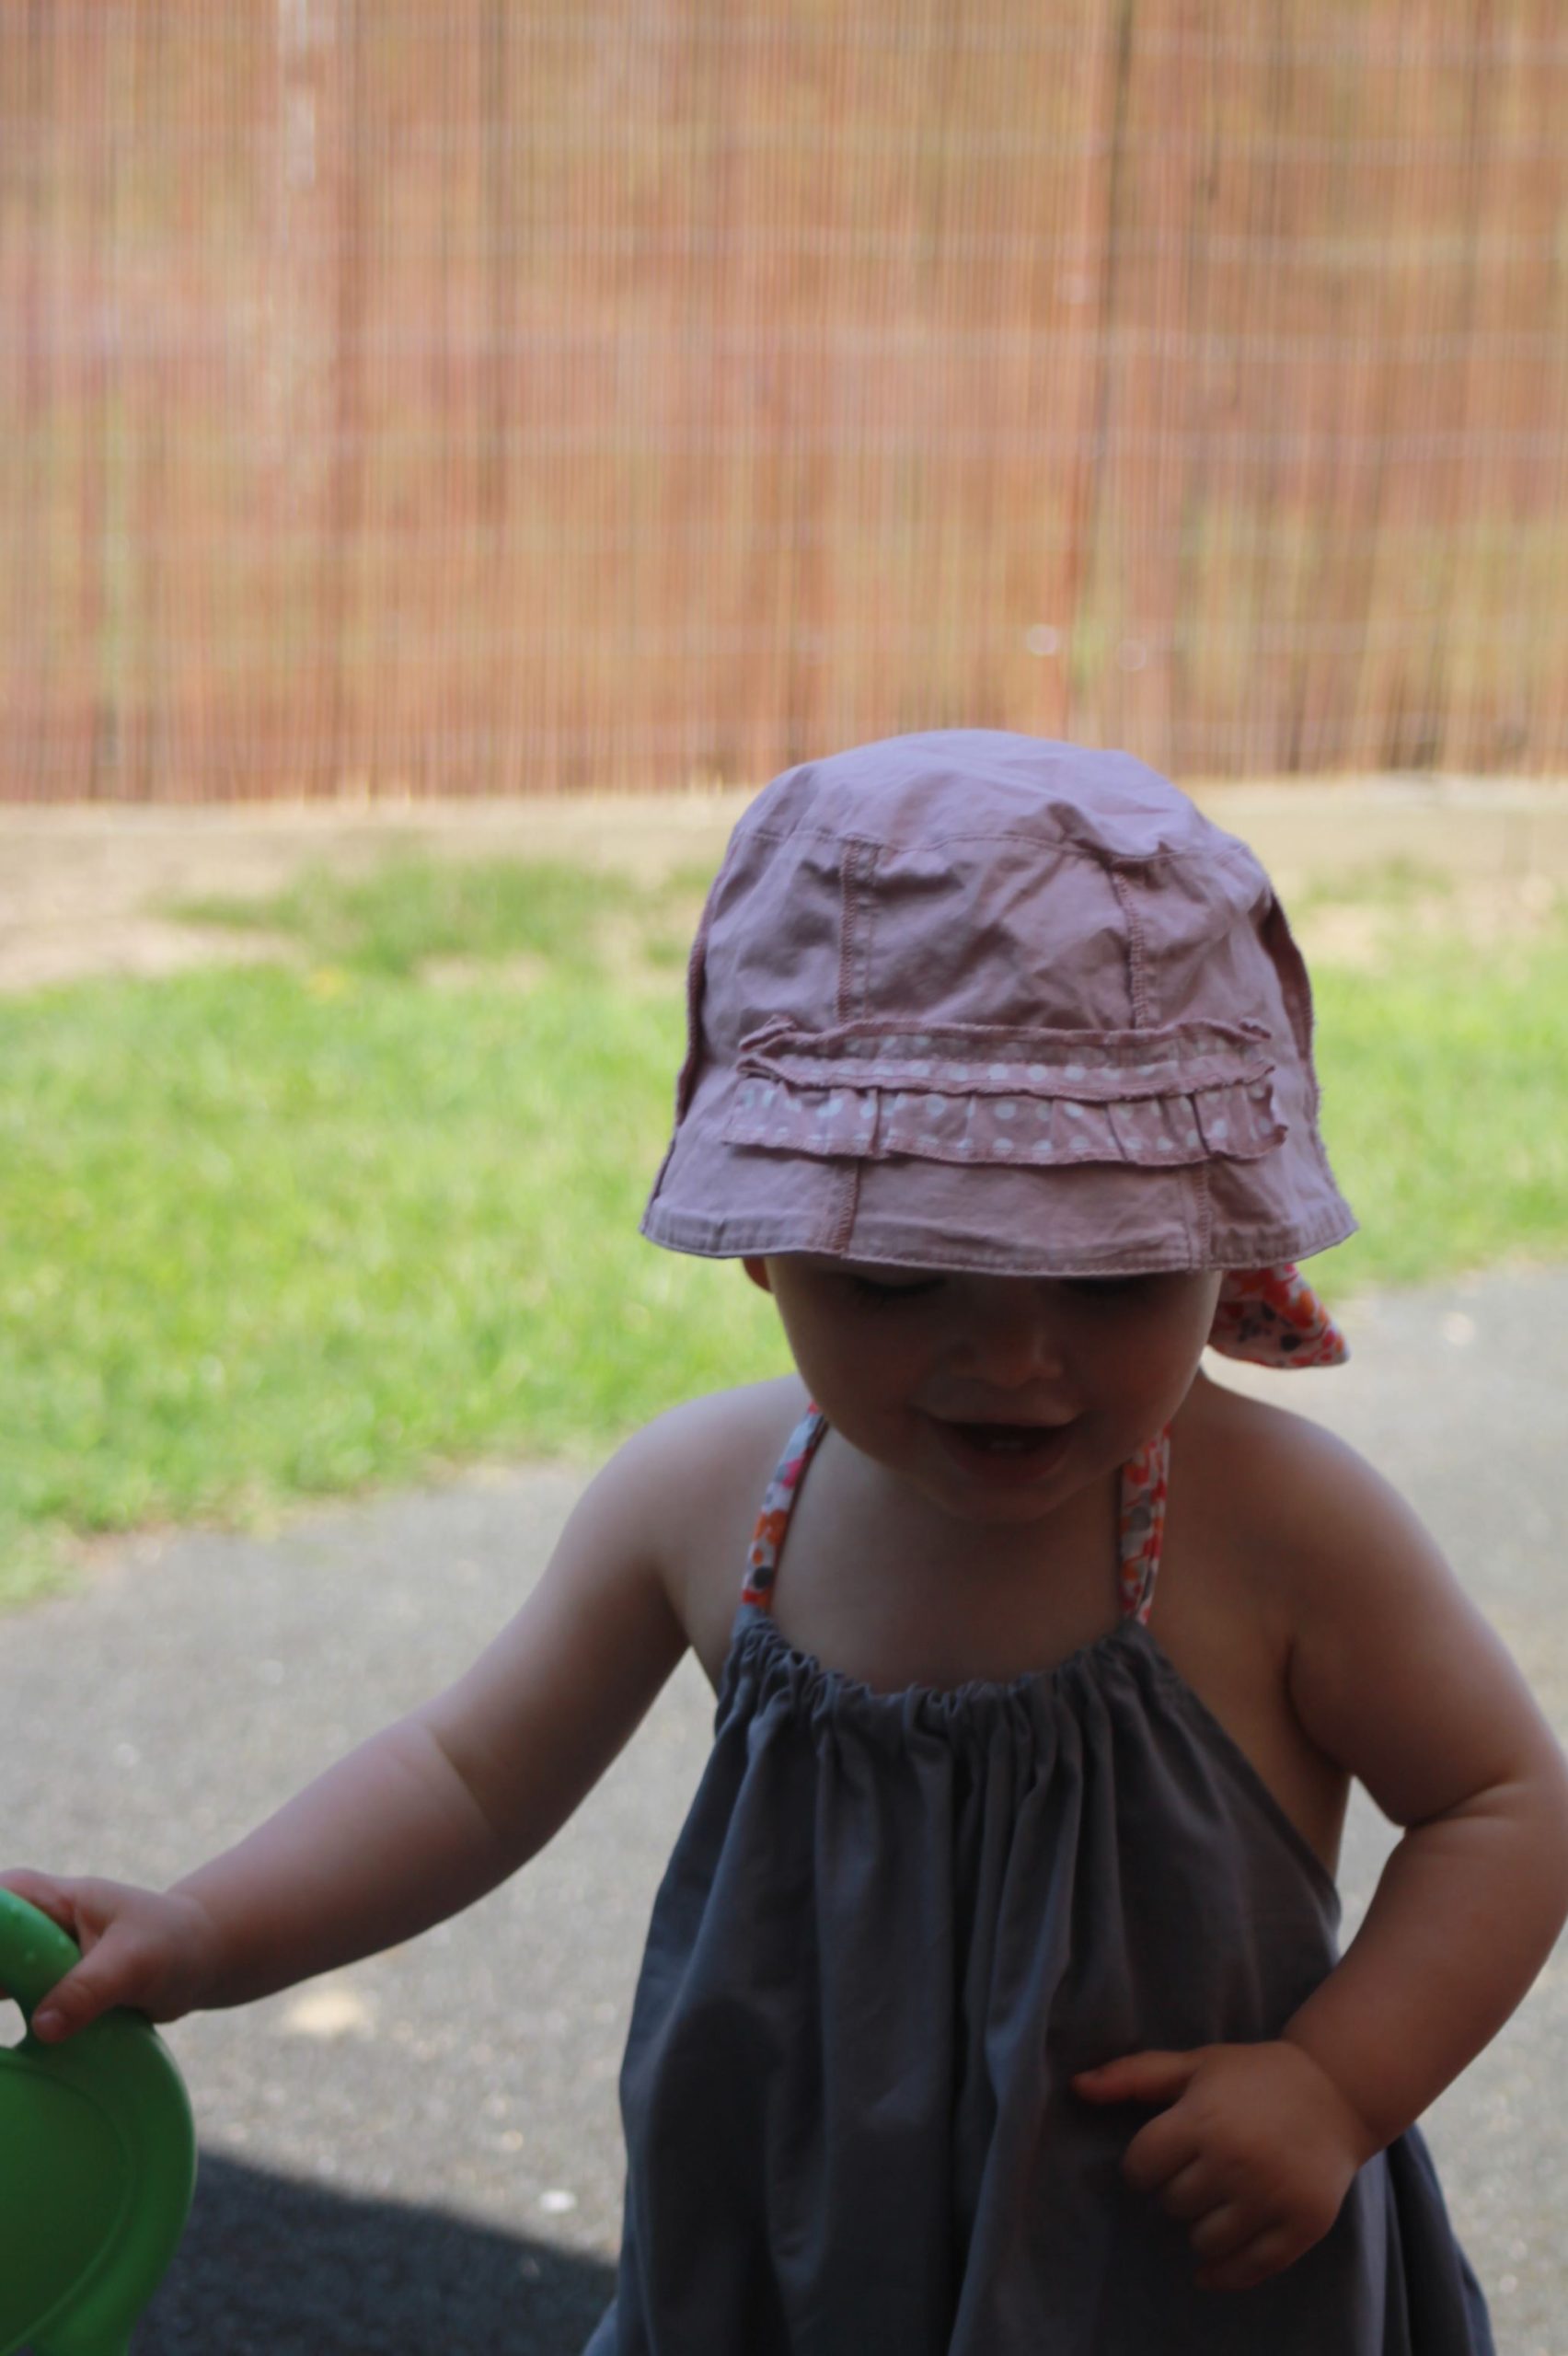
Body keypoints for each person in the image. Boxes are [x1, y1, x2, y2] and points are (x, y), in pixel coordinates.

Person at [6, 731, 1566, 2353]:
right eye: (897, 1276)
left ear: (1221, 1241)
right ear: (765, 1243)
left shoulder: (1279, 1530)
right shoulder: (706, 1498)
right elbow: (466, 1776)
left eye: (1108, 1277)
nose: (1012, 1359)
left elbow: (1502, 1803)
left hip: (1164, 2264)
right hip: (792, 2259)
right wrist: (210, 1928)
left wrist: (1334, 2085)